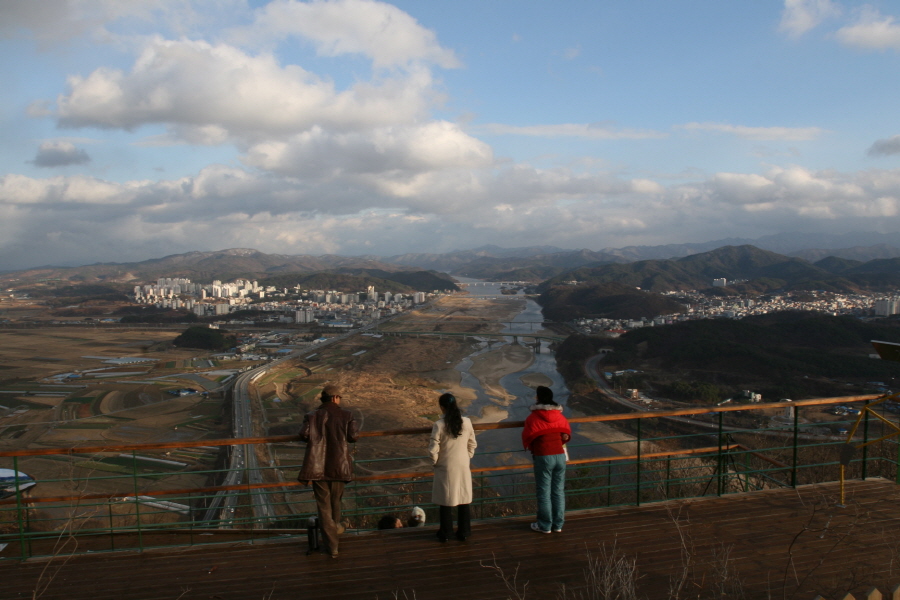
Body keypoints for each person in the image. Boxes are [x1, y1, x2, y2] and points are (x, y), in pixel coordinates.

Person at [298, 384, 360, 557]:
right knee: (336, 503)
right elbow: (353, 437)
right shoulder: (347, 415)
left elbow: (303, 434)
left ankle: (333, 546)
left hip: (317, 468)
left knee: (323, 508)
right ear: (334, 398)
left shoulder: (311, 416)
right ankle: (337, 532)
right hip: (339, 466)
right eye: (339, 397)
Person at [521, 386, 571, 534]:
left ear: (538, 398)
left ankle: (545, 525)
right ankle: (558, 524)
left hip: (543, 455)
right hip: (560, 455)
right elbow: (566, 435)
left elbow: (527, 436)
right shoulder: (560, 416)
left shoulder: (533, 418)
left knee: (544, 492)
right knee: (558, 491)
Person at [429, 393, 477, 542]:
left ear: (442, 407)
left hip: (446, 465)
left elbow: (433, 449)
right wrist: (467, 456)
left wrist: (436, 461)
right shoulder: (467, 422)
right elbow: (472, 443)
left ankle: (446, 533)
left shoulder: (439, 425)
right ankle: (464, 531)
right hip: (462, 464)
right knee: (463, 496)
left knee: (446, 499)